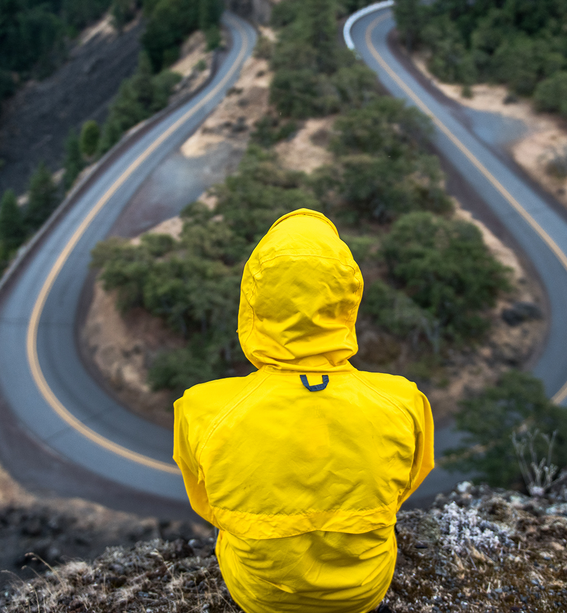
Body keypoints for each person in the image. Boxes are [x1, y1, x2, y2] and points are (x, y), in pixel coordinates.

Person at [173, 208, 435, 613]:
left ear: (252, 304)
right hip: (364, 591)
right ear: (348, 300)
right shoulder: (404, 401)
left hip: (260, 596)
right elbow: (402, 489)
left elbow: (207, 504)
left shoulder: (201, 409)